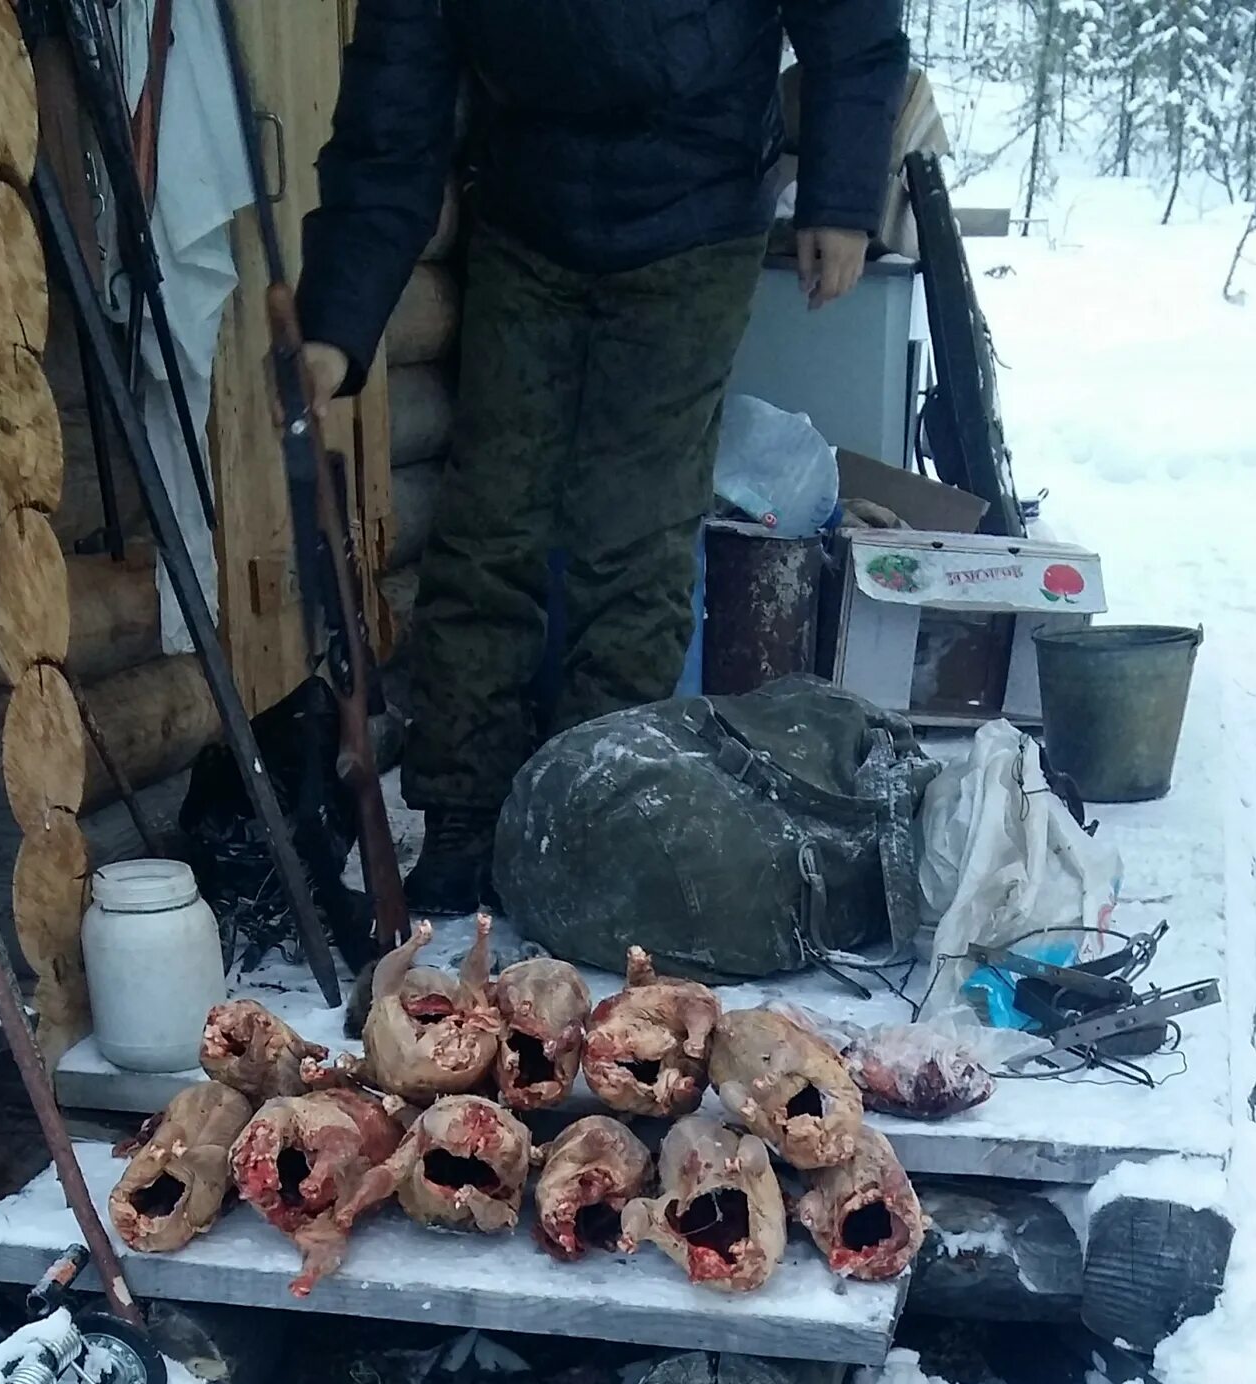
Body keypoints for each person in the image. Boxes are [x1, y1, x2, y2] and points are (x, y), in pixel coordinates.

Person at [295, 0, 909, 916]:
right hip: (527, 206)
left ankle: (585, 820)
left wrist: (841, 197)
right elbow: (395, 102)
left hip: (699, 208)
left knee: (634, 539)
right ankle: (465, 813)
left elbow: (852, 24)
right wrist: (335, 328)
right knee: (487, 524)